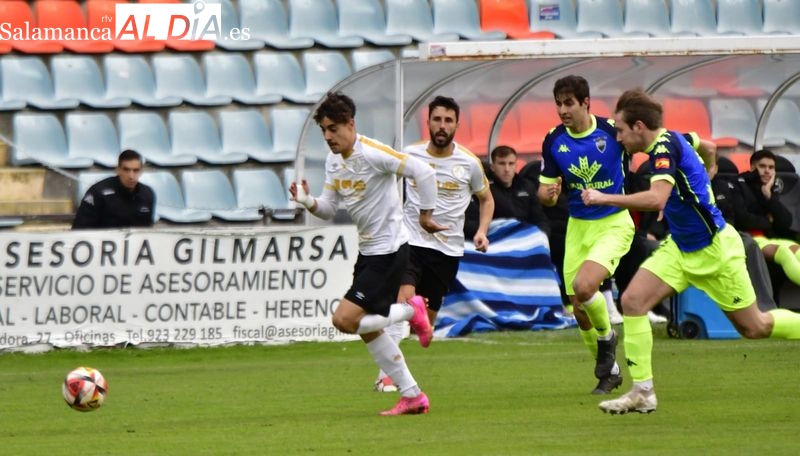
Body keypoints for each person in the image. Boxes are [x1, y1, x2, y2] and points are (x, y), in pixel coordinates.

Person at [582, 88, 800, 415]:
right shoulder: (677, 137)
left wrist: (604, 198)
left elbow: (656, 199)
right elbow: (708, 146)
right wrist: (704, 176)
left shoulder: (662, 152)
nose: (619, 137)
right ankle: (643, 391)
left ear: (639, 126)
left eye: (622, 130)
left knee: (755, 328)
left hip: (716, 252)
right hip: (680, 248)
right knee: (632, 301)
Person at [289, 91, 447, 416]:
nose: (329, 137)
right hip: (368, 252)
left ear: (351, 124)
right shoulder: (335, 162)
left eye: (334, 128)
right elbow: (330, 208)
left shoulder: (374, 153)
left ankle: (409, 312)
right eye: (324, 131)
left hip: (389, 251)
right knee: (368, 329)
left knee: (343, 320)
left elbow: (424, 172)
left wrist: (425, 216)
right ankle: (413, 395)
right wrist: (307, 201)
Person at [374, 95, 494, 393]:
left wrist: (481, 230)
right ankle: (385, 376)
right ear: (427, 123)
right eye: (437, 120)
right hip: (410, 241)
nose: (442, 126)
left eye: (448, 120)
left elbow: (486, 199)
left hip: (448, 250)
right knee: (402, 301)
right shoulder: (410, 154)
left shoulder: (469, 163)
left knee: (422, 322)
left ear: (456, 125)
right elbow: (384, 179)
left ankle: (416, 326)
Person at [537, 75, 634, 395]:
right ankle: (611, 372)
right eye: (558, 104)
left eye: (568, 103)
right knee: (578, 307)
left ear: (585, 103)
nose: (562, 110)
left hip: (613, 222)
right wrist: (549, 195)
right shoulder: (553, 140)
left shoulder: (611, 131)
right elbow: (544, 192)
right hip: (578, 226)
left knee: (585, 285)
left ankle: (608, 340)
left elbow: (648, 145)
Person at [732, 150, 800, 290]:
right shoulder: (738, 185)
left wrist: (769, 197)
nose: (767, 171)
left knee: (798, 250)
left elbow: (785, 223)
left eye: (771, 168)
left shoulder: (769, 188)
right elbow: (742, 218)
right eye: (762, 166)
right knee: (784, 253)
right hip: (747, 238)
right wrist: (767, 221)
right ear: (752, 167)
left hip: (769, 239)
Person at [464, 145, 549, 238]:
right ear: (492, 167)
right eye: (502, 164)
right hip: (494, 240)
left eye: (511, 163)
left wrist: (539, 236)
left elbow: (541, 221)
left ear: (516, 165)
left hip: (524, 239)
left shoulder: (527, 187)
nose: (507, 169)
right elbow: (469, 223)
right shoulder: (482, 188)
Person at [72, 149, 155, 229]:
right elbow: (80, 229)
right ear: (118, 169)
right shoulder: (98, 193)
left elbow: (147, 232)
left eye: (136, 170)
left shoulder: (147, 194)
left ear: (141, 171)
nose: (131, 176)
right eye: (126, 170)